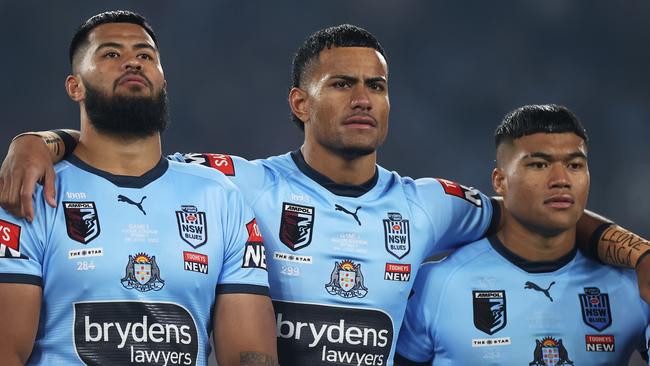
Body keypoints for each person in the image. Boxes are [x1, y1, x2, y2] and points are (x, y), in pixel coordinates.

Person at [1, 24, 649, 365]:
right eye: (342, 84)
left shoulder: (432, 205)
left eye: (377, 85)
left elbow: (539, 206)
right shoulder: (237, 183)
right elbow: (127, 157)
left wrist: (632, 250)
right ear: (299, 102)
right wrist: (43, 141)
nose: (363, 97)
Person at [0, 11, 277, 366]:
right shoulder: (33, 192)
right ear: (75, 86)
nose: (133, 62)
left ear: (163, 81)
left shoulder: (220, 198)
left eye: (145, 55)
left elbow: (249, 355)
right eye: (111, 54)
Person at [394, 104, 649, 365]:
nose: (561, 179)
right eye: (539, 164)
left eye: (574, 165)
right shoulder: (437, 284)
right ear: (499, 181)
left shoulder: (633, 286)